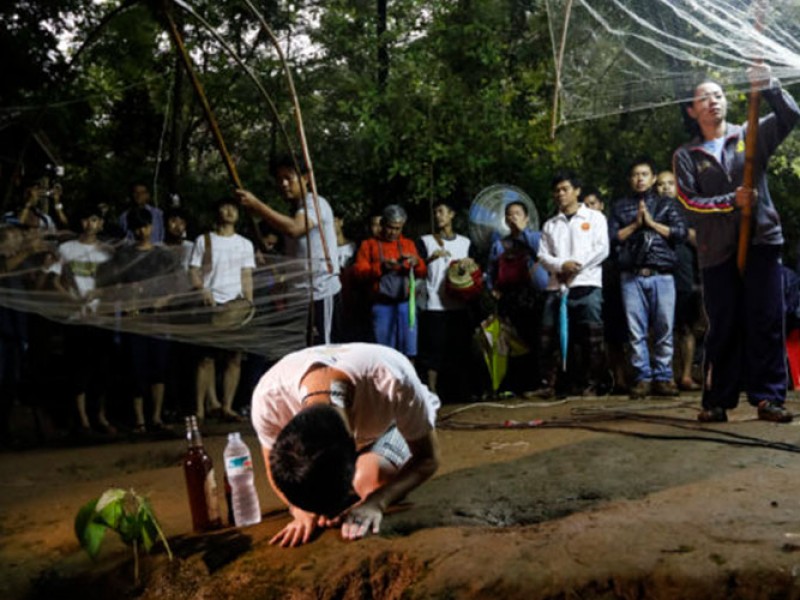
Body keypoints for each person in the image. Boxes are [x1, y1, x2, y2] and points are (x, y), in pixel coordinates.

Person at [673, 64, 800, 423]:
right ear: (691, 110)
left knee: (766, 319)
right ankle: (717, 400)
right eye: (703, 98)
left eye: (718, 95)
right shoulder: (687, 156)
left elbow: (791, 115)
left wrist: (770, 85)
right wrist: (731, 200)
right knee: (724, 325)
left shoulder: (750, 134)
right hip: (716, 251)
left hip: (761, 240)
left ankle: (769, 398)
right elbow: (686, 202)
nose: (712, 102)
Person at [250, 342, 440, 547]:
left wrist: (376, 501)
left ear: (352, 446)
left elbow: (428, 459)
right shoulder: (269, 399)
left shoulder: (392, 381)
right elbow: (273, 469)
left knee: (370, 480)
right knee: (309, 485)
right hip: (344, 436)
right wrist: (300, 510)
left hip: (391, 424)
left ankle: (359, 477)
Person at [236, 156, 341, 345]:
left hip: (320, 292)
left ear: (306, 178)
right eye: (279, 179)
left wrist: (257, 205)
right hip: (299, 294)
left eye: (289, 178)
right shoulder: (295, 209)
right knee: (302, 350)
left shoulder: (315, 203)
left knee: (323, 351)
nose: (283, 184)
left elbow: (294, 228)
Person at [98, 207, 183, 433]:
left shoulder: (163, 255)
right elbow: (114, 286)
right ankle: (139, 421)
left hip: (158, 318)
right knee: (135, 370)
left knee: (159, 369)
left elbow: (176, 285)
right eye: (137, 228)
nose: (142, 231)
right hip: (133, 319)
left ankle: (155, 417)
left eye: (145, 226)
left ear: (152, 227)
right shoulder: (123, 256)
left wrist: (163, 301)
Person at [609, 157, 687, 399]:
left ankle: (664, 377)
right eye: (635, 174)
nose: (639, 178)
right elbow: (611, 239)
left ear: (653, 179)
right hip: (631, 276)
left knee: (664, 327)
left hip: (662, 275)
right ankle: (642, 377)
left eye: (644, 174)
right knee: (636, 331)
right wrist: (635, 225)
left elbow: (680, 233)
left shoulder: (668, 205)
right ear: (630, 180)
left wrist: (651, 223)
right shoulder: (620, 207)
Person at [536, 171, 609, 397]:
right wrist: (561, 265)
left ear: (577, 191)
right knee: (550, 337)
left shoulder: (595, 218)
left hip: (587, 284)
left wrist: (575, 266)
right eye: (557, 190)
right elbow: (542, 255)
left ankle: (590, 385)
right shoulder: (550, 224)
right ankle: (550, 385)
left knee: (590, 337)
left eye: (565, 189)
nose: (560, 194)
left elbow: (602, 249)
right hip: (557, 286)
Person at [48, 205, 115, 434]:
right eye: (86, 219)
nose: (90, 224)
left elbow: (115, 283)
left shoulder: (108, 252)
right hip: (75, 317)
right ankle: (82, 419)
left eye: (95, 219)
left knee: (102, 370)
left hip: (101, 317)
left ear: (101, 224)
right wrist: (71, 300)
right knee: (78, 370)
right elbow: (54, 280)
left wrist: (100, 294)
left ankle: (101, 416)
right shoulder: (66, 248)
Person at [189, 198, 256, 422]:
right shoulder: (204, 240)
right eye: (225, 207)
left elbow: (246, 275)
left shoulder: (245, 244)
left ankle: (226, 407)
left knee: (234, 358)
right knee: (205, 359)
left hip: (235, 305)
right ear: (217, 211)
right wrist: (201, 290)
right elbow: (193, 270)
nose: (229, 211)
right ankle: (200, 409)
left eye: (234, 208)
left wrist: (249, 303)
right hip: (211, 304)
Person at [485, 200, 548, 395]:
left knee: (533, 339)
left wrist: (523, 233)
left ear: (527, 218)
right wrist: (492, 289)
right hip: (509, 298)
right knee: (510, 341)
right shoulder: (499, 244)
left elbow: (543, 256)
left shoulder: (537, 237)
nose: (513, 218)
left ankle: (534, 382)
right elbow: (491, 269)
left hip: (532, 296)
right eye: (509, 215)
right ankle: (511, 385)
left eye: (517, 214)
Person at [416, 200, 474, 400]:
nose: (438, 216)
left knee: (459, 349)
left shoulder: (465, 243)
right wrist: (430, 259)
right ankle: (431, 391)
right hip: (434, 303)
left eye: (441, 212)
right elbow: (417, 268)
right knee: (433, 350)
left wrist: (470, 263)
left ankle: (459, 393)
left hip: (459, 303)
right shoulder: (425, 241)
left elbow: (474, 270)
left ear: (452, 215)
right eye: (435, 212)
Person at [353, 205, 426, 359]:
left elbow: (422, 272)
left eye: (398, 228)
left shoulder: (408, 244)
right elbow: (359, 273)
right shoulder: (369, 245)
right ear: (383, 224)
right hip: (382, 305)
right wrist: (381, 268)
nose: (394, 232)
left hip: (407, 305)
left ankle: (407, 381)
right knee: (385, 354)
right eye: (391, 228)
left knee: (409, 351)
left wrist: (416, 263)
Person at [656, 170, 702, 392]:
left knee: (686, 327)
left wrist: (679, 231)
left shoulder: (689, 211)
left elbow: (700, 240)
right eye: (661, 184)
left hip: (684, 275)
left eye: (670, 183)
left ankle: (685, 375)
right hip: (658, 274)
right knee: (662, 328)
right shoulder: (651, 209)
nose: (665, 188)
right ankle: (667, 377)